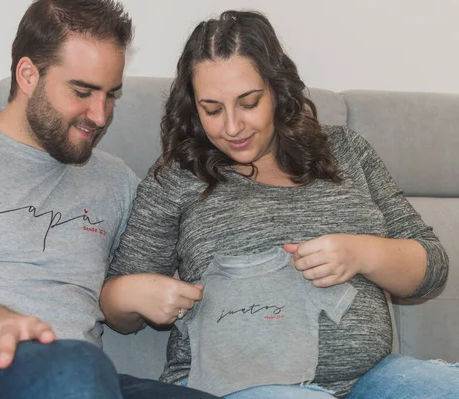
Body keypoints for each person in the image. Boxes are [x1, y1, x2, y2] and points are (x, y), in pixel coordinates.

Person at [0, 1, 220, 398]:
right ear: (28, 74)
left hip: (81, 380)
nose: (100, 116)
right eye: (82, 92)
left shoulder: (117, 180)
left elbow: (157, 272)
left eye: (111, 95)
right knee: (74, 369)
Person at [100, 10, 456, 399]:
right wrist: (134, 294)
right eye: (212, 109)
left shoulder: (346, 150)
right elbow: (118, 309)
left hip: (372, 379)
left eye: (248, 102)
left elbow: (431, 268)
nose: (232, 127)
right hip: (230, 385)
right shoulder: (178, 176)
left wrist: (363, 254)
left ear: (277, 91)